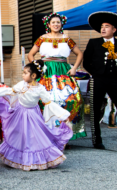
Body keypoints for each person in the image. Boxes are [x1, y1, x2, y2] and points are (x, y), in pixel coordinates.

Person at [0, 60, 72, 171]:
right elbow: (9, 91)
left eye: (25, 73)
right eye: (23, 72)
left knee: (33, 137)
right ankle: (18, 158)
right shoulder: (21, 85)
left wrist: (62, 115)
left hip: (33, 115)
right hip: (19, 113)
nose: (23, 74)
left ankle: (35, 160)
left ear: (33, 75)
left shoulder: (40, 89)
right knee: (18, 135)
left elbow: (49, 103)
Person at [28, 13, 86, 141]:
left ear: (61, 24)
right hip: (46, 72)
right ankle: (46, 134)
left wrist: (74, 68)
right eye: (53, 22)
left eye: (58, 22)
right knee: (44, 100)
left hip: (64, 71)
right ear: (48, 25)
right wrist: (37, 67)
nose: (56, 24)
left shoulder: (67, 39)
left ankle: (66, 135)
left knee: (71, 99)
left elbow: (79, 54)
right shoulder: (42, 38)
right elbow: (31, 54)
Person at [83, 11, 117, 149]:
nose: (103, 29)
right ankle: (97, 140)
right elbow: (86, 62)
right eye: (101, 26)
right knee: (94, 110)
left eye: (107, 26)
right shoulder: (94, 43)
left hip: (115, 80)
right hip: (98, 80)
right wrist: (95, 73)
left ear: (114, 29)